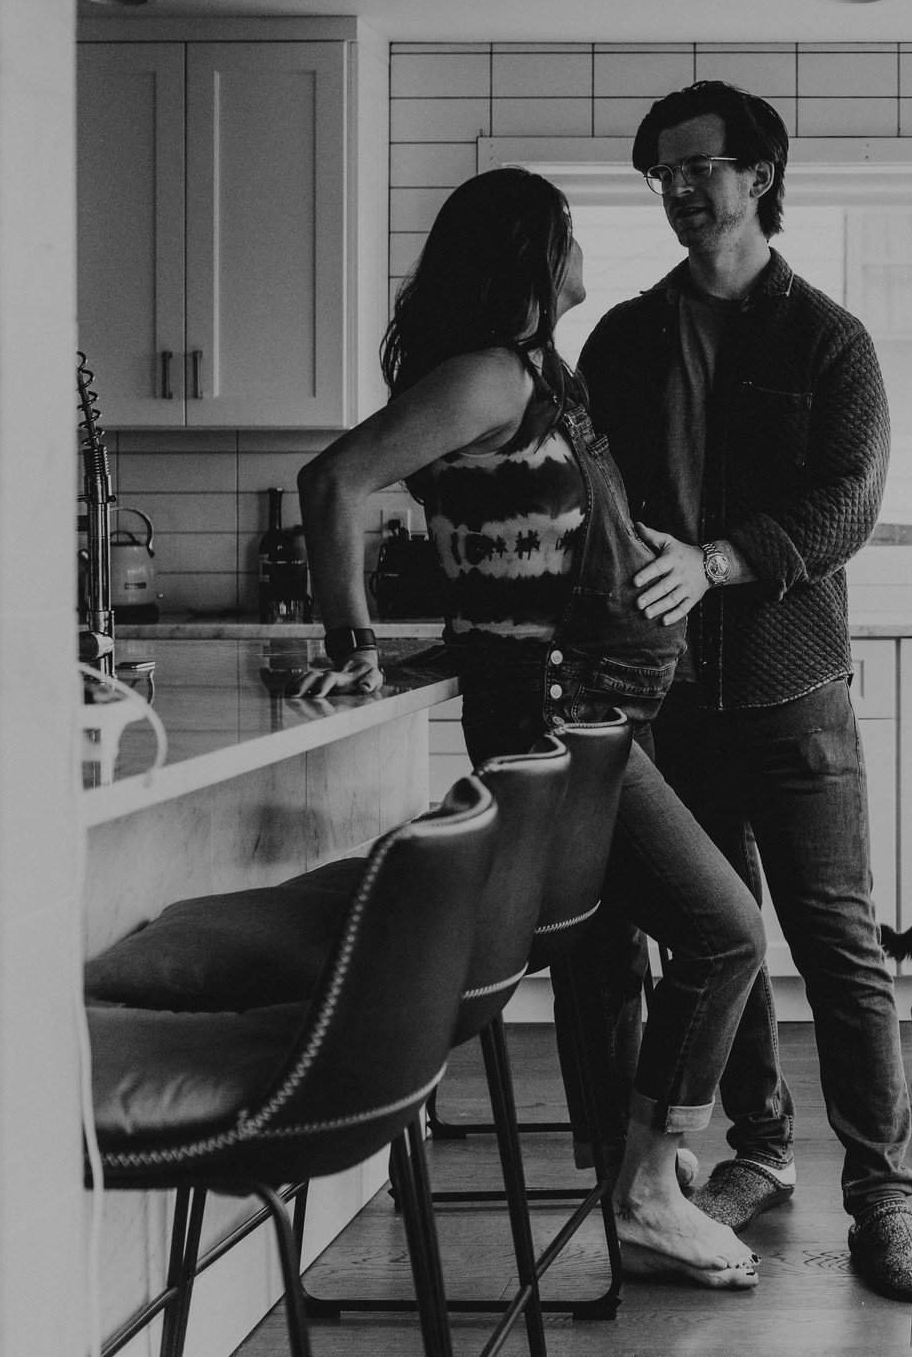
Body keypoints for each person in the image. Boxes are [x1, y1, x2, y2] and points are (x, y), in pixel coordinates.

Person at [291, 166, 765, 1291]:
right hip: (561, 713)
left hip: (590, 700)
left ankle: (630, 1177)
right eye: (566, 233)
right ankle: (645, 1187)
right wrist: (350, 644)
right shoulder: (489, 374)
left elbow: (520, 538)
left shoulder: (536, 371)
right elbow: (334, 481)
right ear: (530, 255)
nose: (581, 249)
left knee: (609, 956)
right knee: (726, 930)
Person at [579, 81, 912, 1302]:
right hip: (672, 698)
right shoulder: (624, 338)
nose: (680, 189)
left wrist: (719, 558)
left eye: (699, 167)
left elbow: (850, 497)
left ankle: (883, 1195)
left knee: (837, 942)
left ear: (757, 173)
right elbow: (594, 494)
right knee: (718, 933)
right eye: (663, 173)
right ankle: (759, 1145)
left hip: (795, 690)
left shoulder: (829, 339)